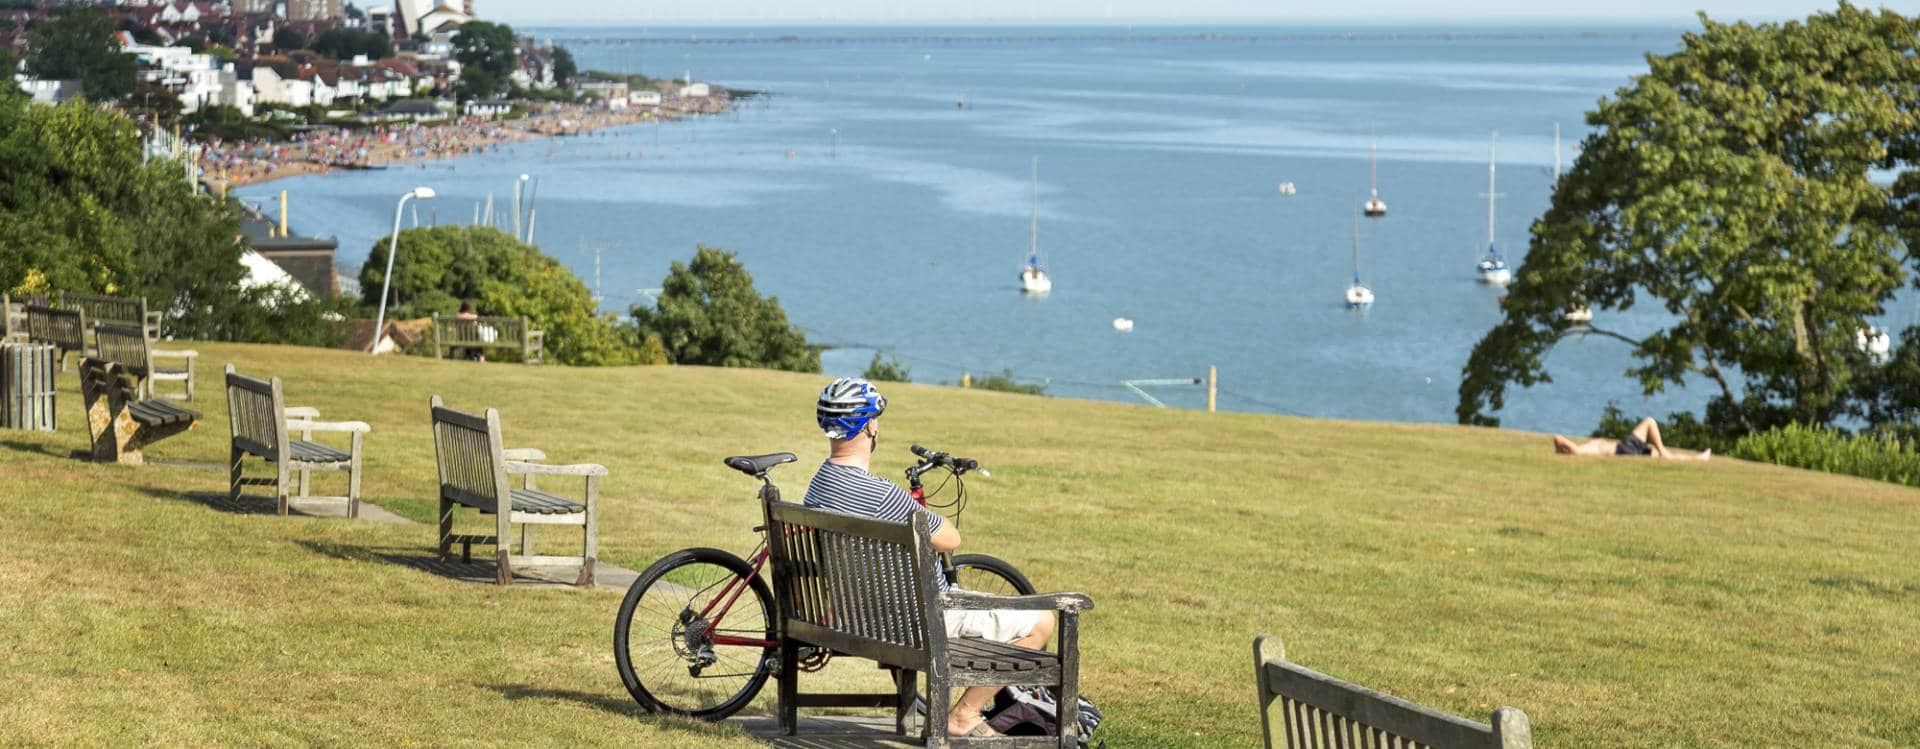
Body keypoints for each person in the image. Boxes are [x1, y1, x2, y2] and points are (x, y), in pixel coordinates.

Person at [802, 377, 1054, 738]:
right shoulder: (881, 495)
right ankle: (963, 716)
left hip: (859, 620)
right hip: (914, 625)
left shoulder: (820, 485)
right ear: (870, 425)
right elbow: (950, 538)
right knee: (1040, 621)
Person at [1553, 416, 1710, 461]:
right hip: (1625, 449)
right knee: (1650, 422)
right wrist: (1561, 442)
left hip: (1626, 446)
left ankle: (1696, 457)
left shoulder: (1588, 448)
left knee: (1649, 422)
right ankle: (1697, 458)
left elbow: (1562, 443)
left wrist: (1560, 446)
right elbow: (1572, 449)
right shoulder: (1584, 451)